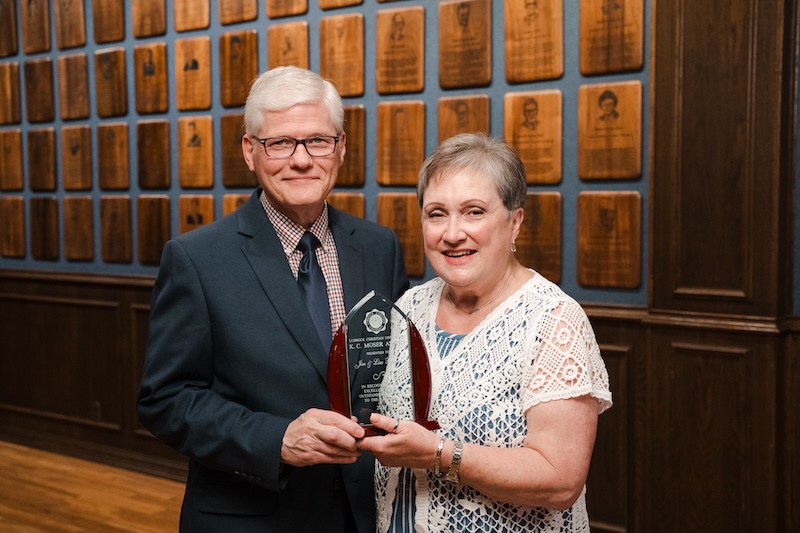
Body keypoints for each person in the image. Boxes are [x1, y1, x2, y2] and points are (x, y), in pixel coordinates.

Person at [137, 66, 409, 533]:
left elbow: (400, 370)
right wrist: (277, 439)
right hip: (255, 516)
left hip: (368, 511)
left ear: (340, 148)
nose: (301, 160)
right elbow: (165, 400)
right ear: (250, 151)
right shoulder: (196, 259)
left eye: (318, 141)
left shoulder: (379, 246)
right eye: (280, 143)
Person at [358, 133, 612, 532]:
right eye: (436, 213)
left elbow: (560, 480)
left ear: (515, 221)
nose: (453, 233)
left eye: (474, 212)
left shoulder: (552, 319)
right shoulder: (408, 308)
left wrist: (439, 453)